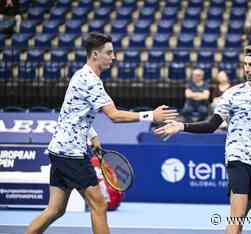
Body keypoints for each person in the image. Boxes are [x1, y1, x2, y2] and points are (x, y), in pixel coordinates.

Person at [25, 32, 177, 234]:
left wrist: (92, 135)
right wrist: (151, 116)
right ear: (95, 54)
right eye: (109, 53)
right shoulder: (91, 81)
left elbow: (75, 113)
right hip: (71, 153)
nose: (113, 57)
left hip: (59, 149)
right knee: (99, 205)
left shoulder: (81, 74)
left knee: (55, 209)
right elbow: (114, 115)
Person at [155, 44, 251, 234]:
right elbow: (211, 125)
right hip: (237, 158)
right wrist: (181, 126)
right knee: (235, 218)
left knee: (238, 221)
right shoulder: (232, 94)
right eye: (245, 64)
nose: (247, 69)